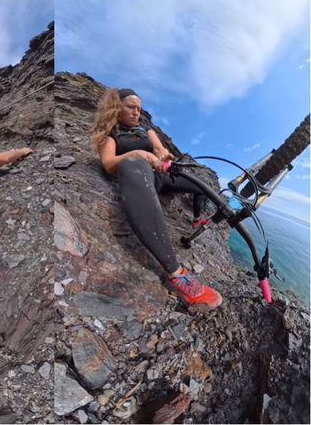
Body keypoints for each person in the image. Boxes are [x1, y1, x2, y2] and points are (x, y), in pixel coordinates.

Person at [90, 87, 222, 309]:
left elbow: (159, 149)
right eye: (131, 107)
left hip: (160, 177)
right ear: (116, 107)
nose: (136, 112)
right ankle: (177, 274)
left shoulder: (146, 132)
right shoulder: (111, 135)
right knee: (133, 163)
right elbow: (109, 164)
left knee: (204, 186)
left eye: (139, 109)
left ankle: (197, 218)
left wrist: (162, 156)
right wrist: (139, 154)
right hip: (137, 174)